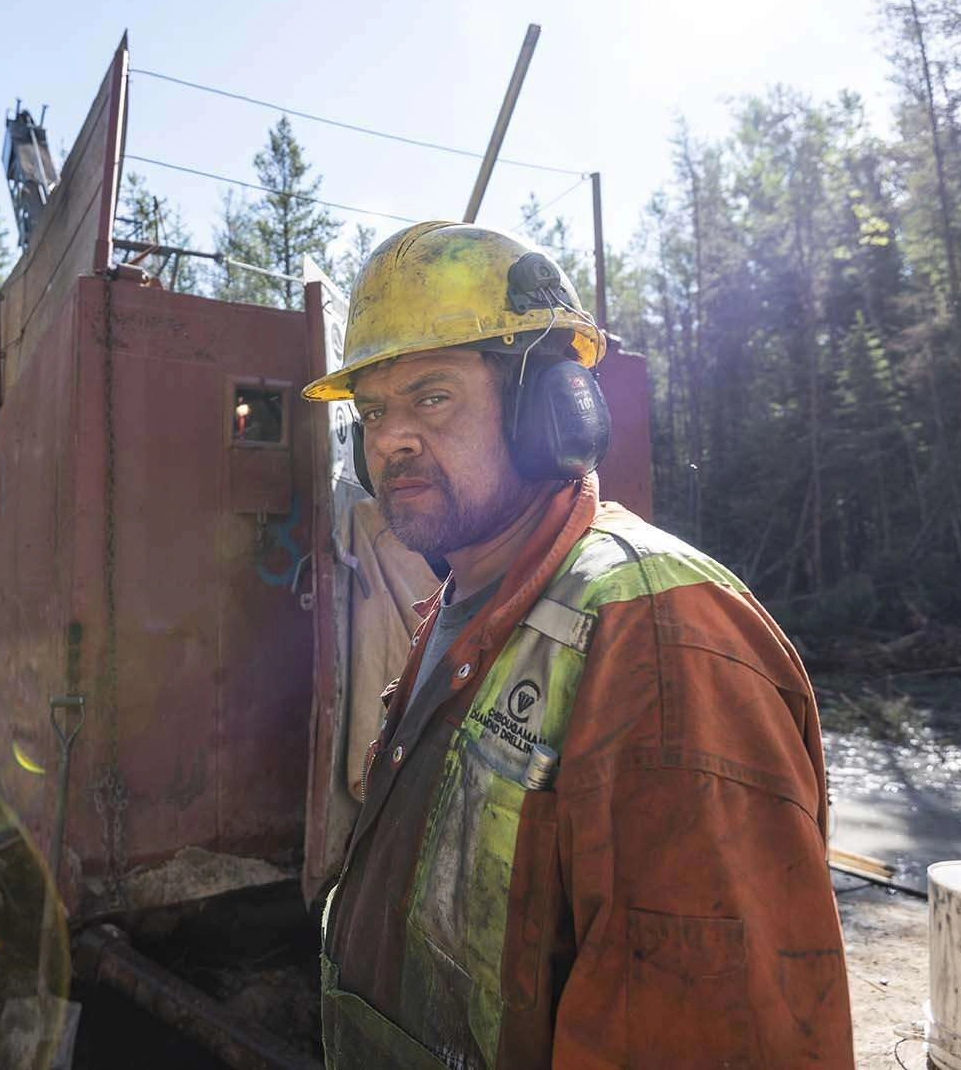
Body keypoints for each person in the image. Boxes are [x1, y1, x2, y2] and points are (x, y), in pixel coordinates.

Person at [303, 222, 854, 1068]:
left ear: (550, 409)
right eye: (371, 412)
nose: (389, 440)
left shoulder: (659, 640)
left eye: (431, 397)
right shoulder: (465, 602)